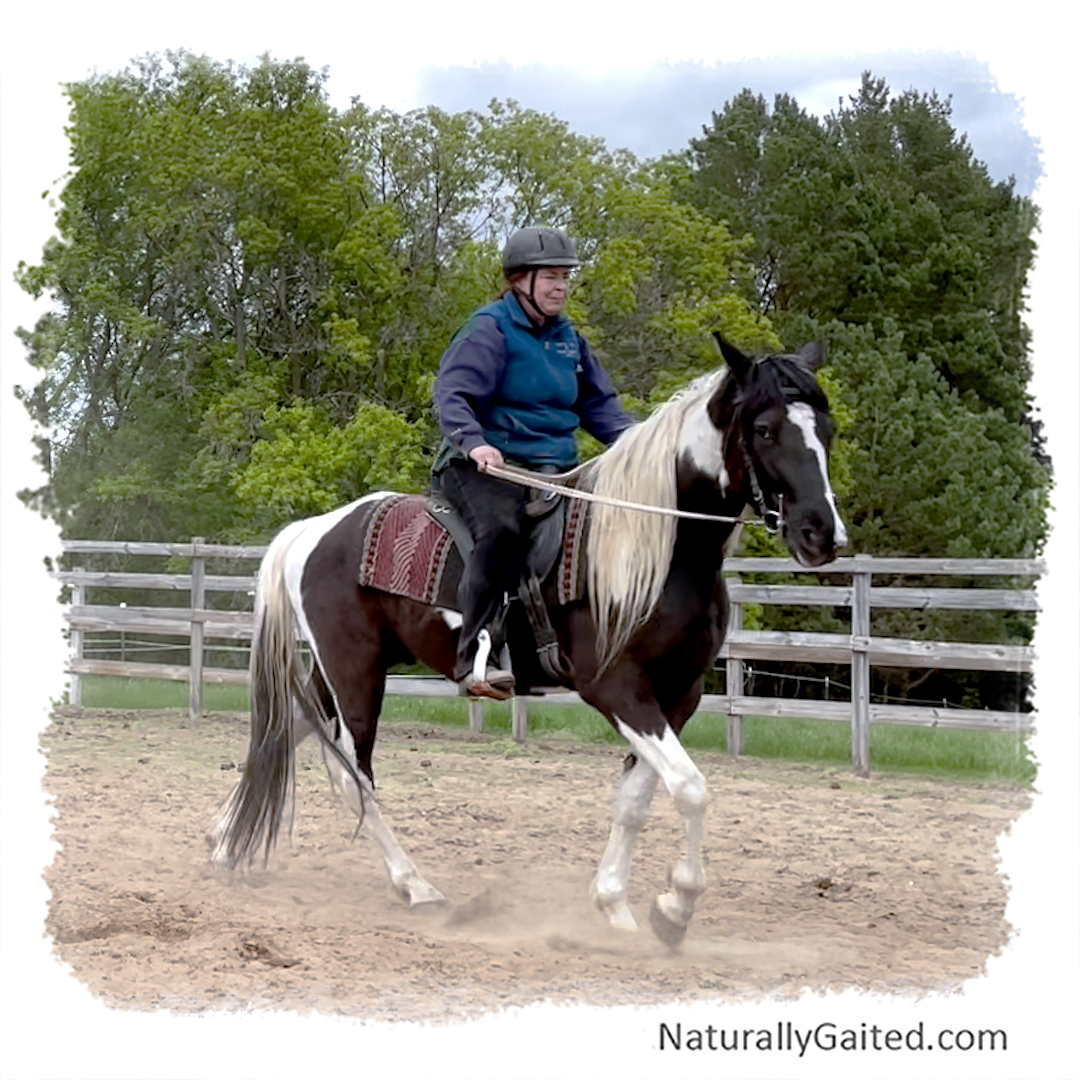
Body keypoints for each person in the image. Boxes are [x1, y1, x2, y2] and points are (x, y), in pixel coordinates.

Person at [433, 226, 633, 699]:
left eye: (566, 277)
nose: (561, 286)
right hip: (484, 464)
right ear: (519, 280)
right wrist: (476, 444)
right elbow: (452, 395)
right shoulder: (489, 328)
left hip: (555, 467)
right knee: (501, 531)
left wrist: (636, 445)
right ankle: (474, 659)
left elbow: (600, 408)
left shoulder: (569, 339)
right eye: (550, 277)